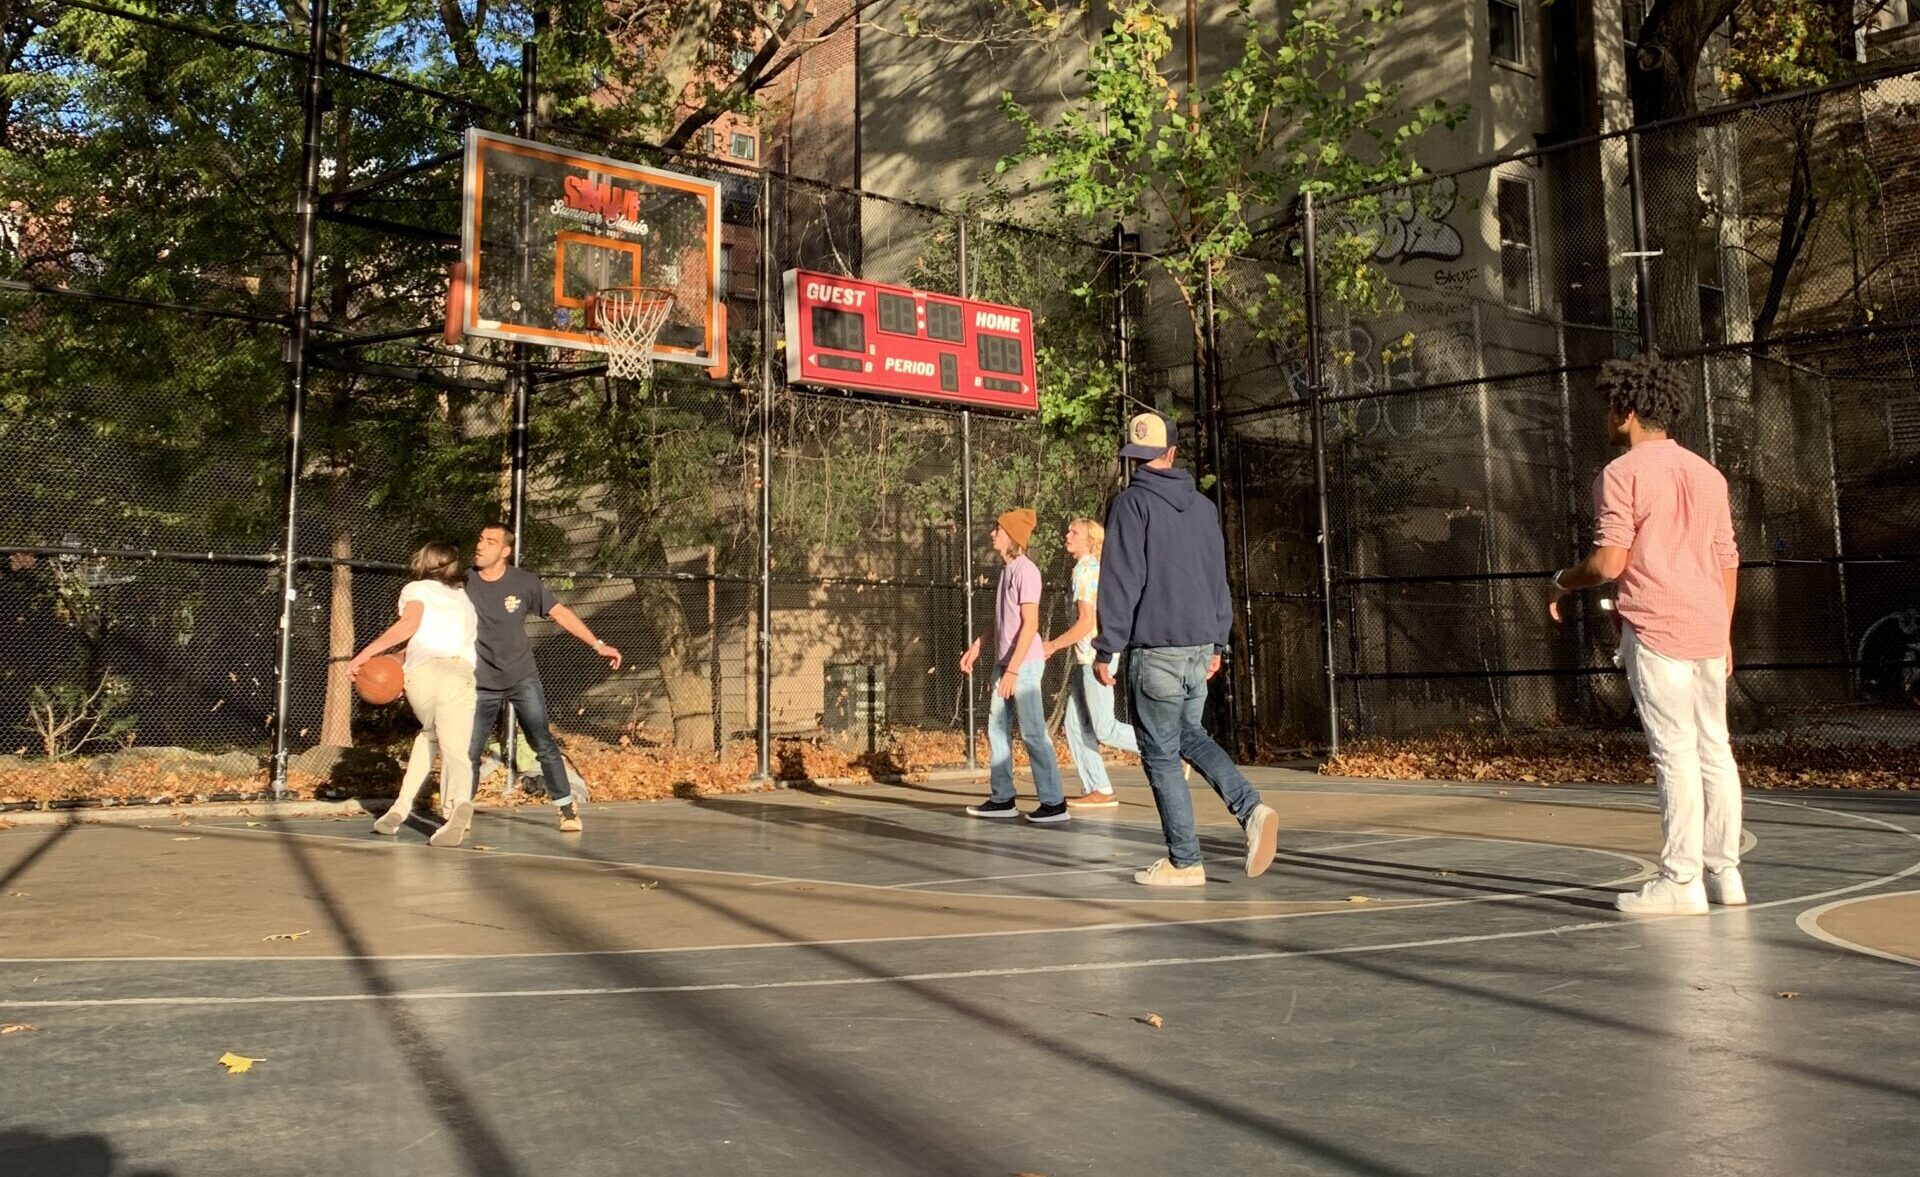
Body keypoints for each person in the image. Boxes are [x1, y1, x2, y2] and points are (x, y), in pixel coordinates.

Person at [1549, 354, 1744, 915]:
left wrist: (1562, 581)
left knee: (1674, 754)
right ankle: (1724, 874)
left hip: (1657, 627)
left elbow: (1609, 563)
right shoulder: (1709, 474)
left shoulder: (1621, 474)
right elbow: (1726, 558)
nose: (1608, 417)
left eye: (1612, 407)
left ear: (1628, 411)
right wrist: (1724, 630)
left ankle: (1681, 883)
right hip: (1709, 628)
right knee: (1714, 748)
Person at [1095, 412, 1277, 886]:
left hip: (1155, 648)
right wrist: (1219, 640)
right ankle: (1251, 808)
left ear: (1139, 458)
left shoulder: (1131, 504)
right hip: (1200, 646)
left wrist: (1106, 647)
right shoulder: (1203, 508)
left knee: (1159, 752)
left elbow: (1121, 580)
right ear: (1172, 454)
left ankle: (1185, 859)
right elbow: (1218, 578)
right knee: (1188, 736)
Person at [465, 523, 621, 833]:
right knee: (470, 749)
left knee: (543, 743)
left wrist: (598, 644)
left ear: (505, 551)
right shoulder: (464, 581)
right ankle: (460, 810)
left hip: (522, 676)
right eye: (480, 538)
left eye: (490, 541)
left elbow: (561, 613)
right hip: (480, 680)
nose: (481, 545)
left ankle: (566, 809)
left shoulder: (524, 582)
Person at [1041, 517, 1183, 809]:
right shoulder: (1093, 570)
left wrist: (1052, 645)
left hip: (1095, 658)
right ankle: (1099, 788)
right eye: (1068, 530)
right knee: (1075, 726)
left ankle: (1172, 753)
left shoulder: (1084, 573)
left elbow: (1086, 623)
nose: (1067, 535)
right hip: (1090, 658)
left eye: (1074, 532)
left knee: (1104, 728)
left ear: (1089, 540)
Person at [346, 542, 480, 847]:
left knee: (429, 736)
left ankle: (400, 808)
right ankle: (460, 802)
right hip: (457, 675)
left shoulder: (416, 589)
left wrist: (364, 656)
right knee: (455, 748)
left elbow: (411, 627)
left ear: (423, 563)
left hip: (421, 679)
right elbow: (420, 633)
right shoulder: (463, 601)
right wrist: (380, 658)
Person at [960, 507, 1069, 824]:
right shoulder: (1006, 571)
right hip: (1005, 664)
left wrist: (1013, 670)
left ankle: (1054, 803)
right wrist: (978, 646)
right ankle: (1003, 798)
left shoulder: (1026, 571)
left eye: (998, 530)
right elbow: (1001, 621)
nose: (993, 534)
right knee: (996, 728)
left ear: (1012, 537)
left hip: (1024, 666)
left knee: (1033, 733)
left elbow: (1030, 624)